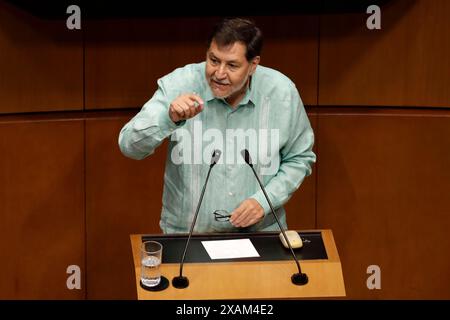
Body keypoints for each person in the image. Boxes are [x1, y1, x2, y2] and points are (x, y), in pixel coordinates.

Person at [119, 18, 316, 234]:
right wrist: (169, 118)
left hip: (260, 235)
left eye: (232, 65)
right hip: (187, 238)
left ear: (253, 65)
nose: (219, 74)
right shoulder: (179, 84)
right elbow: (129, 146)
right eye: (213, 60)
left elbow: (299, 158)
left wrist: (264, 201)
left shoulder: (281, 92)